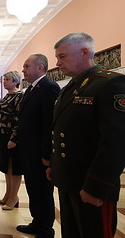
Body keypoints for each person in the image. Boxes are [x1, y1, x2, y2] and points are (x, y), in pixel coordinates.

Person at [47, 33, 125, 238]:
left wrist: (96, 187)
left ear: (84, 52)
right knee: (72, 232)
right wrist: (54, 166)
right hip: (68, 180)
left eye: (62, 56)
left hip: (91, 185)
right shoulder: (71, 88)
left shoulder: (111, 84)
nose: (57, 63)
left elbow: (116, 143)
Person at [16, 54, 60, 237]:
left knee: (42, 191)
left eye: (27, 66)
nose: (23, 70)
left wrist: (47, 155)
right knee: (33, 189)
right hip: (29, 151)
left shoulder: (49, 88)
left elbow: (49, 123)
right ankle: (37, 222)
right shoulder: (32, 89)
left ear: (40, 68)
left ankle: (45, 229)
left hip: (40, 153)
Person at [0, 71, 24, 210]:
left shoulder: (19, 96)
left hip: (13, 136)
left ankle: (14, 197)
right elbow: (0, 118)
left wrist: (14, 138)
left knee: (14, 167)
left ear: (15, 81)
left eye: (8, 79)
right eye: (4, 79)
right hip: (3, 134)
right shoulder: (7, 96)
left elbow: (19, 119)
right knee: (6, 166)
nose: (4, 81)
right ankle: (8, 194)